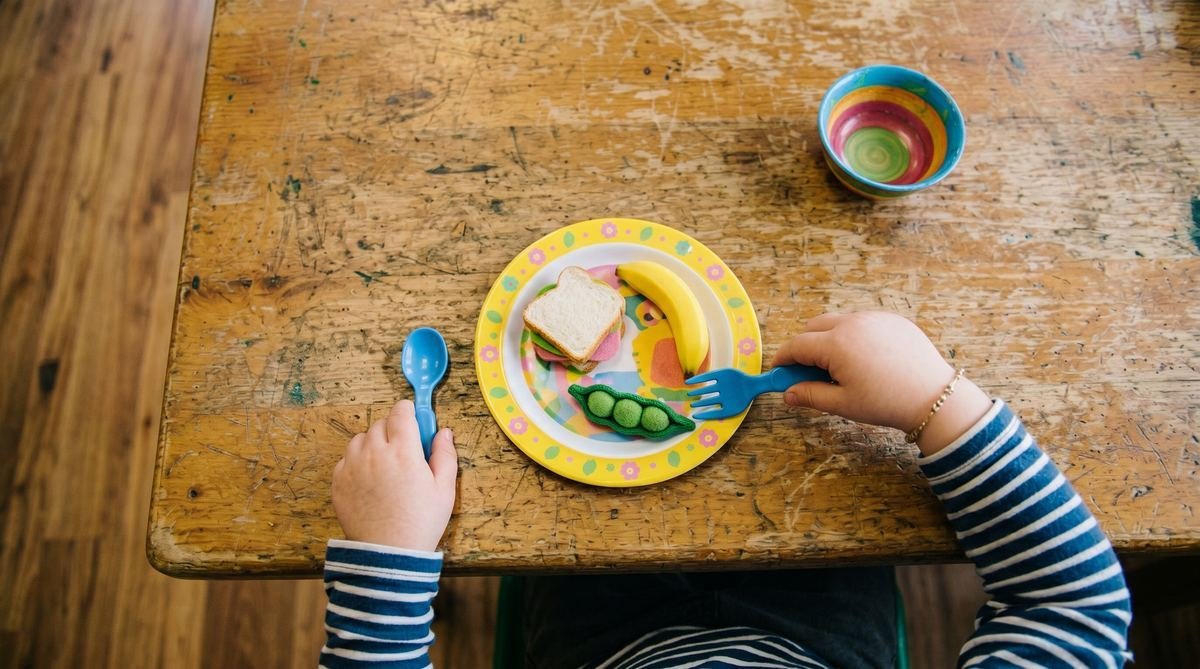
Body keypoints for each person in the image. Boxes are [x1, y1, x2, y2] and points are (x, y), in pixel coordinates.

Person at [319, 312, 1131, 668]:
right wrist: (937, 400)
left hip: (600, 638)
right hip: (824, 628)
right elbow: (1075, 608)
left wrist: (386, 554)